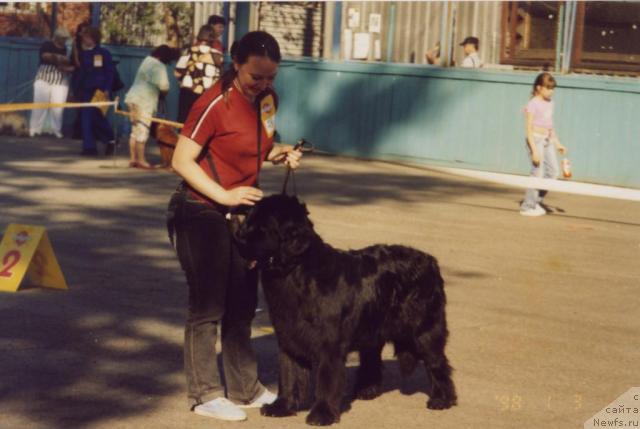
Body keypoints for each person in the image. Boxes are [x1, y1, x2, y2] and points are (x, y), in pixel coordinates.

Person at [167, 31, 303, 422]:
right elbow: (181, 160)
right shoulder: (214, 102)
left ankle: (245, 388)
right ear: (236, 64)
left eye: (270, 78)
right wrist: (224, 196)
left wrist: (282, 153)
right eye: (255, 76)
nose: (262, 84)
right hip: (199, 209)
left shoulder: (267, 101)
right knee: (208, 305)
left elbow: (256, 148)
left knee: (243, 304)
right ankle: (205, 393)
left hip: (242, 212)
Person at [124, 45, 180, 169]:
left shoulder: (147, 60)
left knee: (134, 131)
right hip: (145, 101)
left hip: (132, 97)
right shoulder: (159, 66)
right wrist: (163, 94)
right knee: (143, 130)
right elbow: (164, 86)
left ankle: (133, 158)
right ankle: (142, 160)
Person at [519, 72, 567, 217]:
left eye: (553, 89)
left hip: (547, 140)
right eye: (548, 88)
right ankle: (527, 207)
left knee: (553, 172)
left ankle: (535, 201)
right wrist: (534, 151)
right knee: (537, 172)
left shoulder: (550, 103)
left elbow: (550, 126)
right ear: (539, 87)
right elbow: (528, 129)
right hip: (535, 139)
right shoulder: (532, 104)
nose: (551, 91)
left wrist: (558, 143)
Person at [76, 26, 116, 156]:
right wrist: (76, 89)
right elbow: (82, 72)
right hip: (87, 90)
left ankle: (111, 139)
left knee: (97, 116)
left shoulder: (103, 53)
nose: (84, 39)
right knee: (86, 118)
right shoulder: (83, 54)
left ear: (93, 38)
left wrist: (107, 89)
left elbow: (110, 72)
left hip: (100, 90)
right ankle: (89, 147)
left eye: (86, 37)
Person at [29, 27, 73, 138]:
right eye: (62, 38)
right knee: (39, 104)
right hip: (43, 78)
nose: (64, 41)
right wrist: (59, 58)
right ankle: (34, 129)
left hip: (60, 80)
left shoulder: (68, 49)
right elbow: (45, 56)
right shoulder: (47, 45)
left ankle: (56, 130)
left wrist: (63, 63)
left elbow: (70, 63)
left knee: (58, 107)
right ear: (57, 37)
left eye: (65, 38)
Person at [174, 25, 224, 124]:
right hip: (207, 96)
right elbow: (219, 77)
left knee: (184, 125)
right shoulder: (218, 56)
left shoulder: (189, 51)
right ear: (213, 39)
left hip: (187, 94)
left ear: (199, 37)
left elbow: (177, 74)